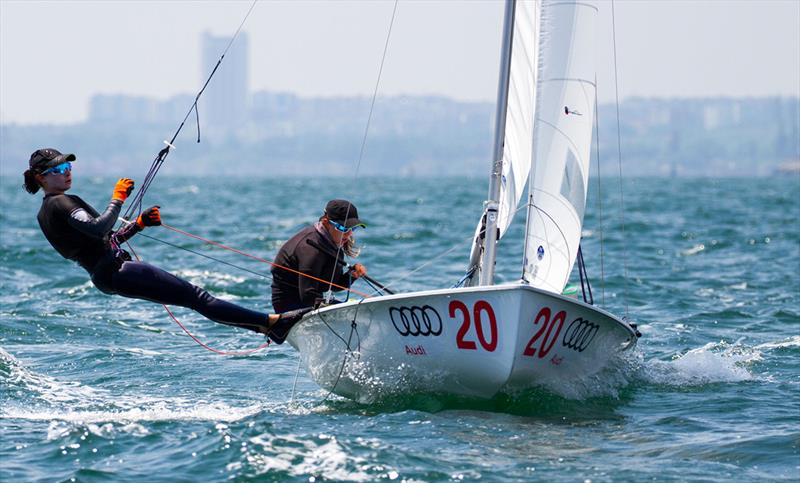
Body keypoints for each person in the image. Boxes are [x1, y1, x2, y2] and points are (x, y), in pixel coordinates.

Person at [23, 148, 308, 344]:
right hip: (115, 271)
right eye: (58, 169)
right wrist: (118, 198)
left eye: (68, 166)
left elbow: (99, 242)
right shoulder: (60, 203)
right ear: (41, 177)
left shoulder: (48, 210)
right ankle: (273, 324)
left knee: (194, 299)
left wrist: (139, 224)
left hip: (107, 273)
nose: (67, 173)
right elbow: (100, 227)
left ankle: (269, 326)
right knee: (197, 297)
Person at [271, 199, 367, 312]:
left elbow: (333, 285)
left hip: (312, 301)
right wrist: (341, 309)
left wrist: (351, 275)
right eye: (343, 228)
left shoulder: (334, 243)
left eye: (353, 228)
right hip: (290, 307)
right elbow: (308, 295)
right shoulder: (310, 248)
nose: (349, 233)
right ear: (326, 222)